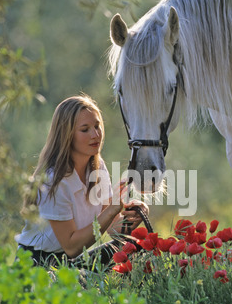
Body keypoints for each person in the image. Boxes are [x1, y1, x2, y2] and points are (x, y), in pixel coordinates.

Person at [15, 94, 148, 268]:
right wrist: (111, 210)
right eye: (85, 129)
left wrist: (133, 217)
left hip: (70, 263)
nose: (95, 134)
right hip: (38, 265)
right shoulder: (53, 181)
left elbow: (113, 230)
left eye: (97, 126)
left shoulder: (97, 167)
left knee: (135, 246)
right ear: (67, 135)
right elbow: (71, 247)